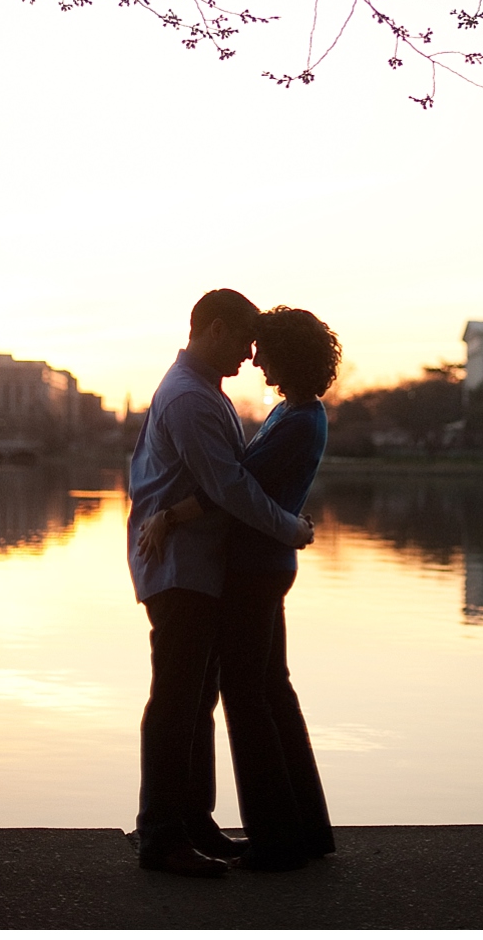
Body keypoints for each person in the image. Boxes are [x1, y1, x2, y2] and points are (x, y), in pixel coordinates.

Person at [143, 305, 338, 872]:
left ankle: (278, 837)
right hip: (264, 561)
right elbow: (243, 482)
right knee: (271, 692)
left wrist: (172, 516)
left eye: (265, 349)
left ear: (287, 354)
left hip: (256, 567)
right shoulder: (297, 412)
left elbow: (236, 486)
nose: (256, 358)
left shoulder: (298, 420)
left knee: (249, 698)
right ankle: (303, 830)